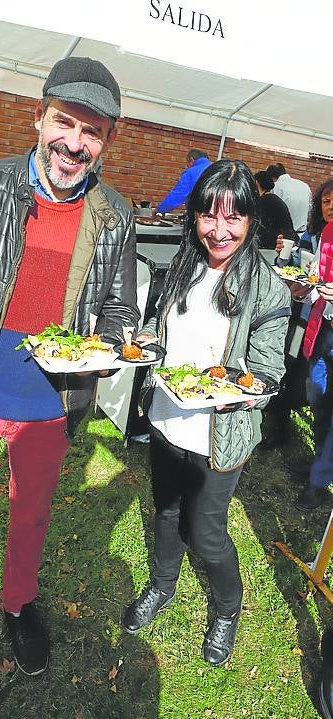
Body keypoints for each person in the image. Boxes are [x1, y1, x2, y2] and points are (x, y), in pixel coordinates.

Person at [0, 56, 140, 675]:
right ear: (39, 118)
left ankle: (18, 604)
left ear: (108, 140)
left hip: (50, 399)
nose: (75, 143)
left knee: (31, 511)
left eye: (92, 133)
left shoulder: (115, 216)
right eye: (65, 123)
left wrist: (106, 349)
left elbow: (119, 308)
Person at [123, 160, 290, 666]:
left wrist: (239, 388)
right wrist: (150, 340)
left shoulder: (268, 288)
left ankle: (226, 610)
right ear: (194, 216)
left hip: (221, 434)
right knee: (167, 513)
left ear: (250, 220)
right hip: (169, 419)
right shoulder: (183, 263)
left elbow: (268, 372)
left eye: (233, 219)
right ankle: (162, 585)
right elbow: (164, 326)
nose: (219, 231)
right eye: (208, 217)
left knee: (208, 533)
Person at [260, 179, 333, 451]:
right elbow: (291, 270)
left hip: (327, 326)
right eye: (325, 202)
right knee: (290, 369)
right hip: (302, 319)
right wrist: (282, 255)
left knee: (318, 386)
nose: (330, 207)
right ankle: (279, 426)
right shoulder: (308, 237)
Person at [289, 221, 333, 511]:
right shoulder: (329, 230)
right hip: (324, 331)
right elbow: (318, 276)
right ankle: (320, 459)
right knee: (319, 401)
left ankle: (319, 482)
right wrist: (304, 290)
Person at [155, 149, 211, 214]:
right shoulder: (217, 169)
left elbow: (177, 196)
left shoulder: (191, 172)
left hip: (199, 215)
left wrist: (159, 209)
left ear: (191, 160)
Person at [254, 170, 299, 249]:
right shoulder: (273, 198)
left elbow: (260, 227)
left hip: (279, 243)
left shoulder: (264, 201)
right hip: (287, 239)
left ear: (257, 183)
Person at [266, 162, 312, 235]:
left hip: (283, 236)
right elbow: (310, 212)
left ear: (271, 177)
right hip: (303, 235)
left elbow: (271, 214)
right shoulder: (304, 185)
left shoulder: (275, 187)